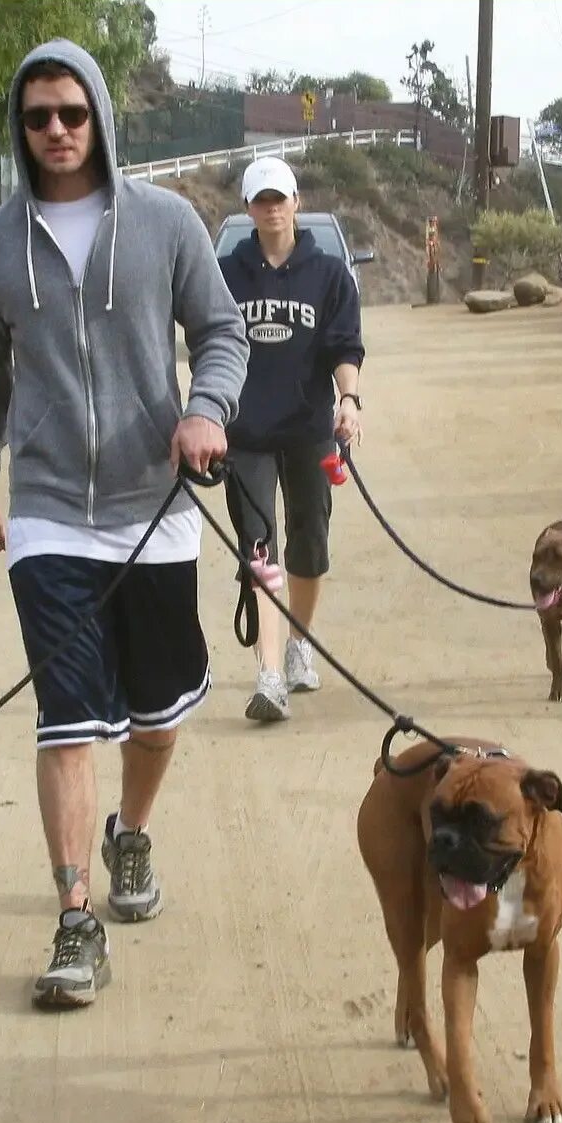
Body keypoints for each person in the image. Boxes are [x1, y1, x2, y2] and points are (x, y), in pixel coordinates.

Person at [0, 39, 248, 1009]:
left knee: (157, 716)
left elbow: (220, 330)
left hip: (152, 505)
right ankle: (76, 919)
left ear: (100, 120)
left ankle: (133, 834)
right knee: (68, 718)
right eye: (38, 116)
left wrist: (205, 408)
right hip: (46, 513)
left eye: (71, 114)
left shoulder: (166, 223)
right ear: (20, 125)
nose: (56, 132)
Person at [217, 156, 365, 723]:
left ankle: (300, 644)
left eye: (280, 198)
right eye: (261, 199)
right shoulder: (227, 273)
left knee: (310, 544)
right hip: (246, 433)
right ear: (248, 208)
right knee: (259, 548)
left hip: (309, 428)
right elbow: (209, 343)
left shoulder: (328, 274)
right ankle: (270, 675)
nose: (272, 208)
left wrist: (348, 403)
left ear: (296, 202)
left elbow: (345, 349)